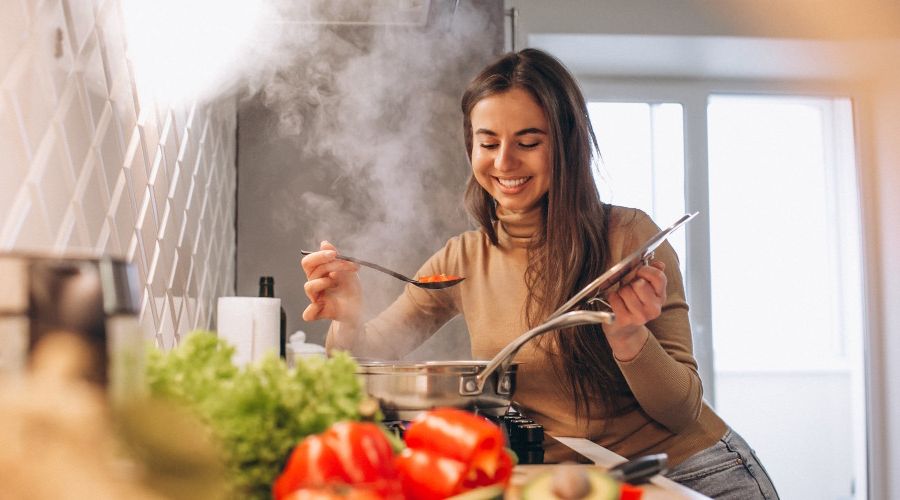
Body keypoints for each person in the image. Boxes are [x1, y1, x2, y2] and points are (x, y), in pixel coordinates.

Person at [300, 48, 779, 500]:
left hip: (687, 472)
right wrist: (347, 319)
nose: (504, 162)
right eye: (488, 142)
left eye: (528, 142)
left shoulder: (627, 237)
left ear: (567, 145)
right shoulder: (462, 260)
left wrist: (631, 338)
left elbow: (682, 410)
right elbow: (365, 359)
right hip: (580, 482)